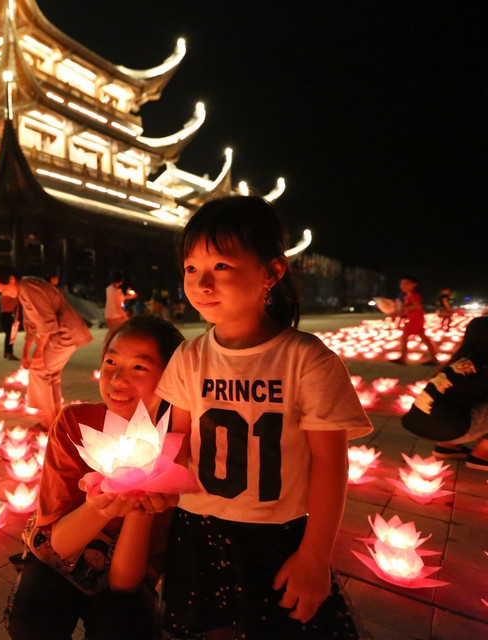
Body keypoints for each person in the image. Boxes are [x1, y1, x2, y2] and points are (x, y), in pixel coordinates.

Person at [155, 195, 372, 639]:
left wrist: (315, 555)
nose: (201, 283)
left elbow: (331, 464)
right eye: (192, 268)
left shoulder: (307, 360)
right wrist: (138, 482)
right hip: (197, 529)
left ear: (272, 271)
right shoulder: (189, 356)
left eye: (222, 267)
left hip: (277, 535)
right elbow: (177, 440)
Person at [5, 315, 185, 640]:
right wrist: (98, 507)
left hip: (122, 573)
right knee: (32, 622)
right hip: (58, 560)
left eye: (139, 367)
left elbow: (124, 582)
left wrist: (137, 508)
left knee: (128, 628)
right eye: (111, 361)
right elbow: (57, 545)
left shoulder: (174, 450)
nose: (116, 377)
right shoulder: (74, 423)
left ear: (170, 380)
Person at [0, 265, 93, 430]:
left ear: (11, 279)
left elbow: (48, 321)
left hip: (65, 333)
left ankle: (48, 423)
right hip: (61, 334)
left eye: (3, 289)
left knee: (39, 371)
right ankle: (55, 421)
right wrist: (25, 352)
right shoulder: (23, 291)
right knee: (49, 375)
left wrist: (38, 352)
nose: (4, 294)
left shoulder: (28, 286)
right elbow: (31, 324)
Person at [402, 316, 488, 469]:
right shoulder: (484, 365)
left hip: (418, 422)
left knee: (454, 402)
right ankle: (481, 455)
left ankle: (447, 447)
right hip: (449, 427)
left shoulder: (459, 361)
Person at [392, 276, 437, 364]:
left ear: (413, 285)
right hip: (416, 318)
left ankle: (402, 358)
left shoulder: (413, 295)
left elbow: (418, 306)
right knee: (424, 338)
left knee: (404, 337)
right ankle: (433, 358)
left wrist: (405, 307)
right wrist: (398, 313)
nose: (402, 286)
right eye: (401, 283)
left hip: (415, 319)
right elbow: (408, 309)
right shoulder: (408, 296)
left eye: (406, 283)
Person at [103, 270, 137, 342]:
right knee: (123, 331)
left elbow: (115, 299)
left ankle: (107, 347)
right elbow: (118, 306)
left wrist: (129, 297)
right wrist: (125, 315)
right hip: (115, 316)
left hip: (107, 315)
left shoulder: (109, 289)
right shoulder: (117, 291)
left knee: (112, 333)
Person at [0, 290, 21, 361]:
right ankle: (9, 353)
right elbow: (10, 305)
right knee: (10, 335)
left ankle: (7, 352)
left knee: (8, 335)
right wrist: (17, 298)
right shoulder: (6, 294)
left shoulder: (3, 294)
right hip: (7, 315)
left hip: (6, 315)